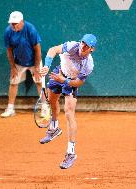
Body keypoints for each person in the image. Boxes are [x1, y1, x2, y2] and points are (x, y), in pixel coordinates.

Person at [39, 34, 97, 169]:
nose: (83, 46)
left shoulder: (89, 64)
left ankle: (71, 153)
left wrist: (63, 81)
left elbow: (78, 83)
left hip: (70, 82)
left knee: (69, 113)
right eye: (82, 43)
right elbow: (52, 50)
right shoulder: (72, 46)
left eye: (87, 45)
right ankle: (54, 128)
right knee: (52, 101)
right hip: (59, 73)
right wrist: (47, 66)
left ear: (91, 49)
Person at [1, 11, 42, 118]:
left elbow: (37, 49)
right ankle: (10, 109)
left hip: (34, 61)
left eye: (16, 23)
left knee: (40, 82)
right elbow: (9, 50)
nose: (13, 25)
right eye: (12, 23)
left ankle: (45, 107)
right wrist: (13, 67)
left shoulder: (30, 29)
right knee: (13, 82)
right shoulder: (8, 32)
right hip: (19, 62)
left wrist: (37, 67)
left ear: (22, 22)